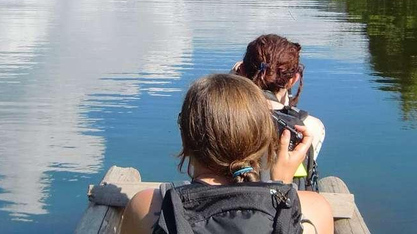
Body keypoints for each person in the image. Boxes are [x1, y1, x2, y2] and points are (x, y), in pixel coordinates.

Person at [121, 74, 333, 234]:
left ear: (186, 137)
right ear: (263, 139)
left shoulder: (148, 207)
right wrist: (282, 187)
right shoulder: (314, 209)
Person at [233, 34, 325, 191]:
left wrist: (233, 79)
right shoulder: (310, 126)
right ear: (293, 80)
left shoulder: (222, 116)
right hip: (286, 198)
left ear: (241, 71)